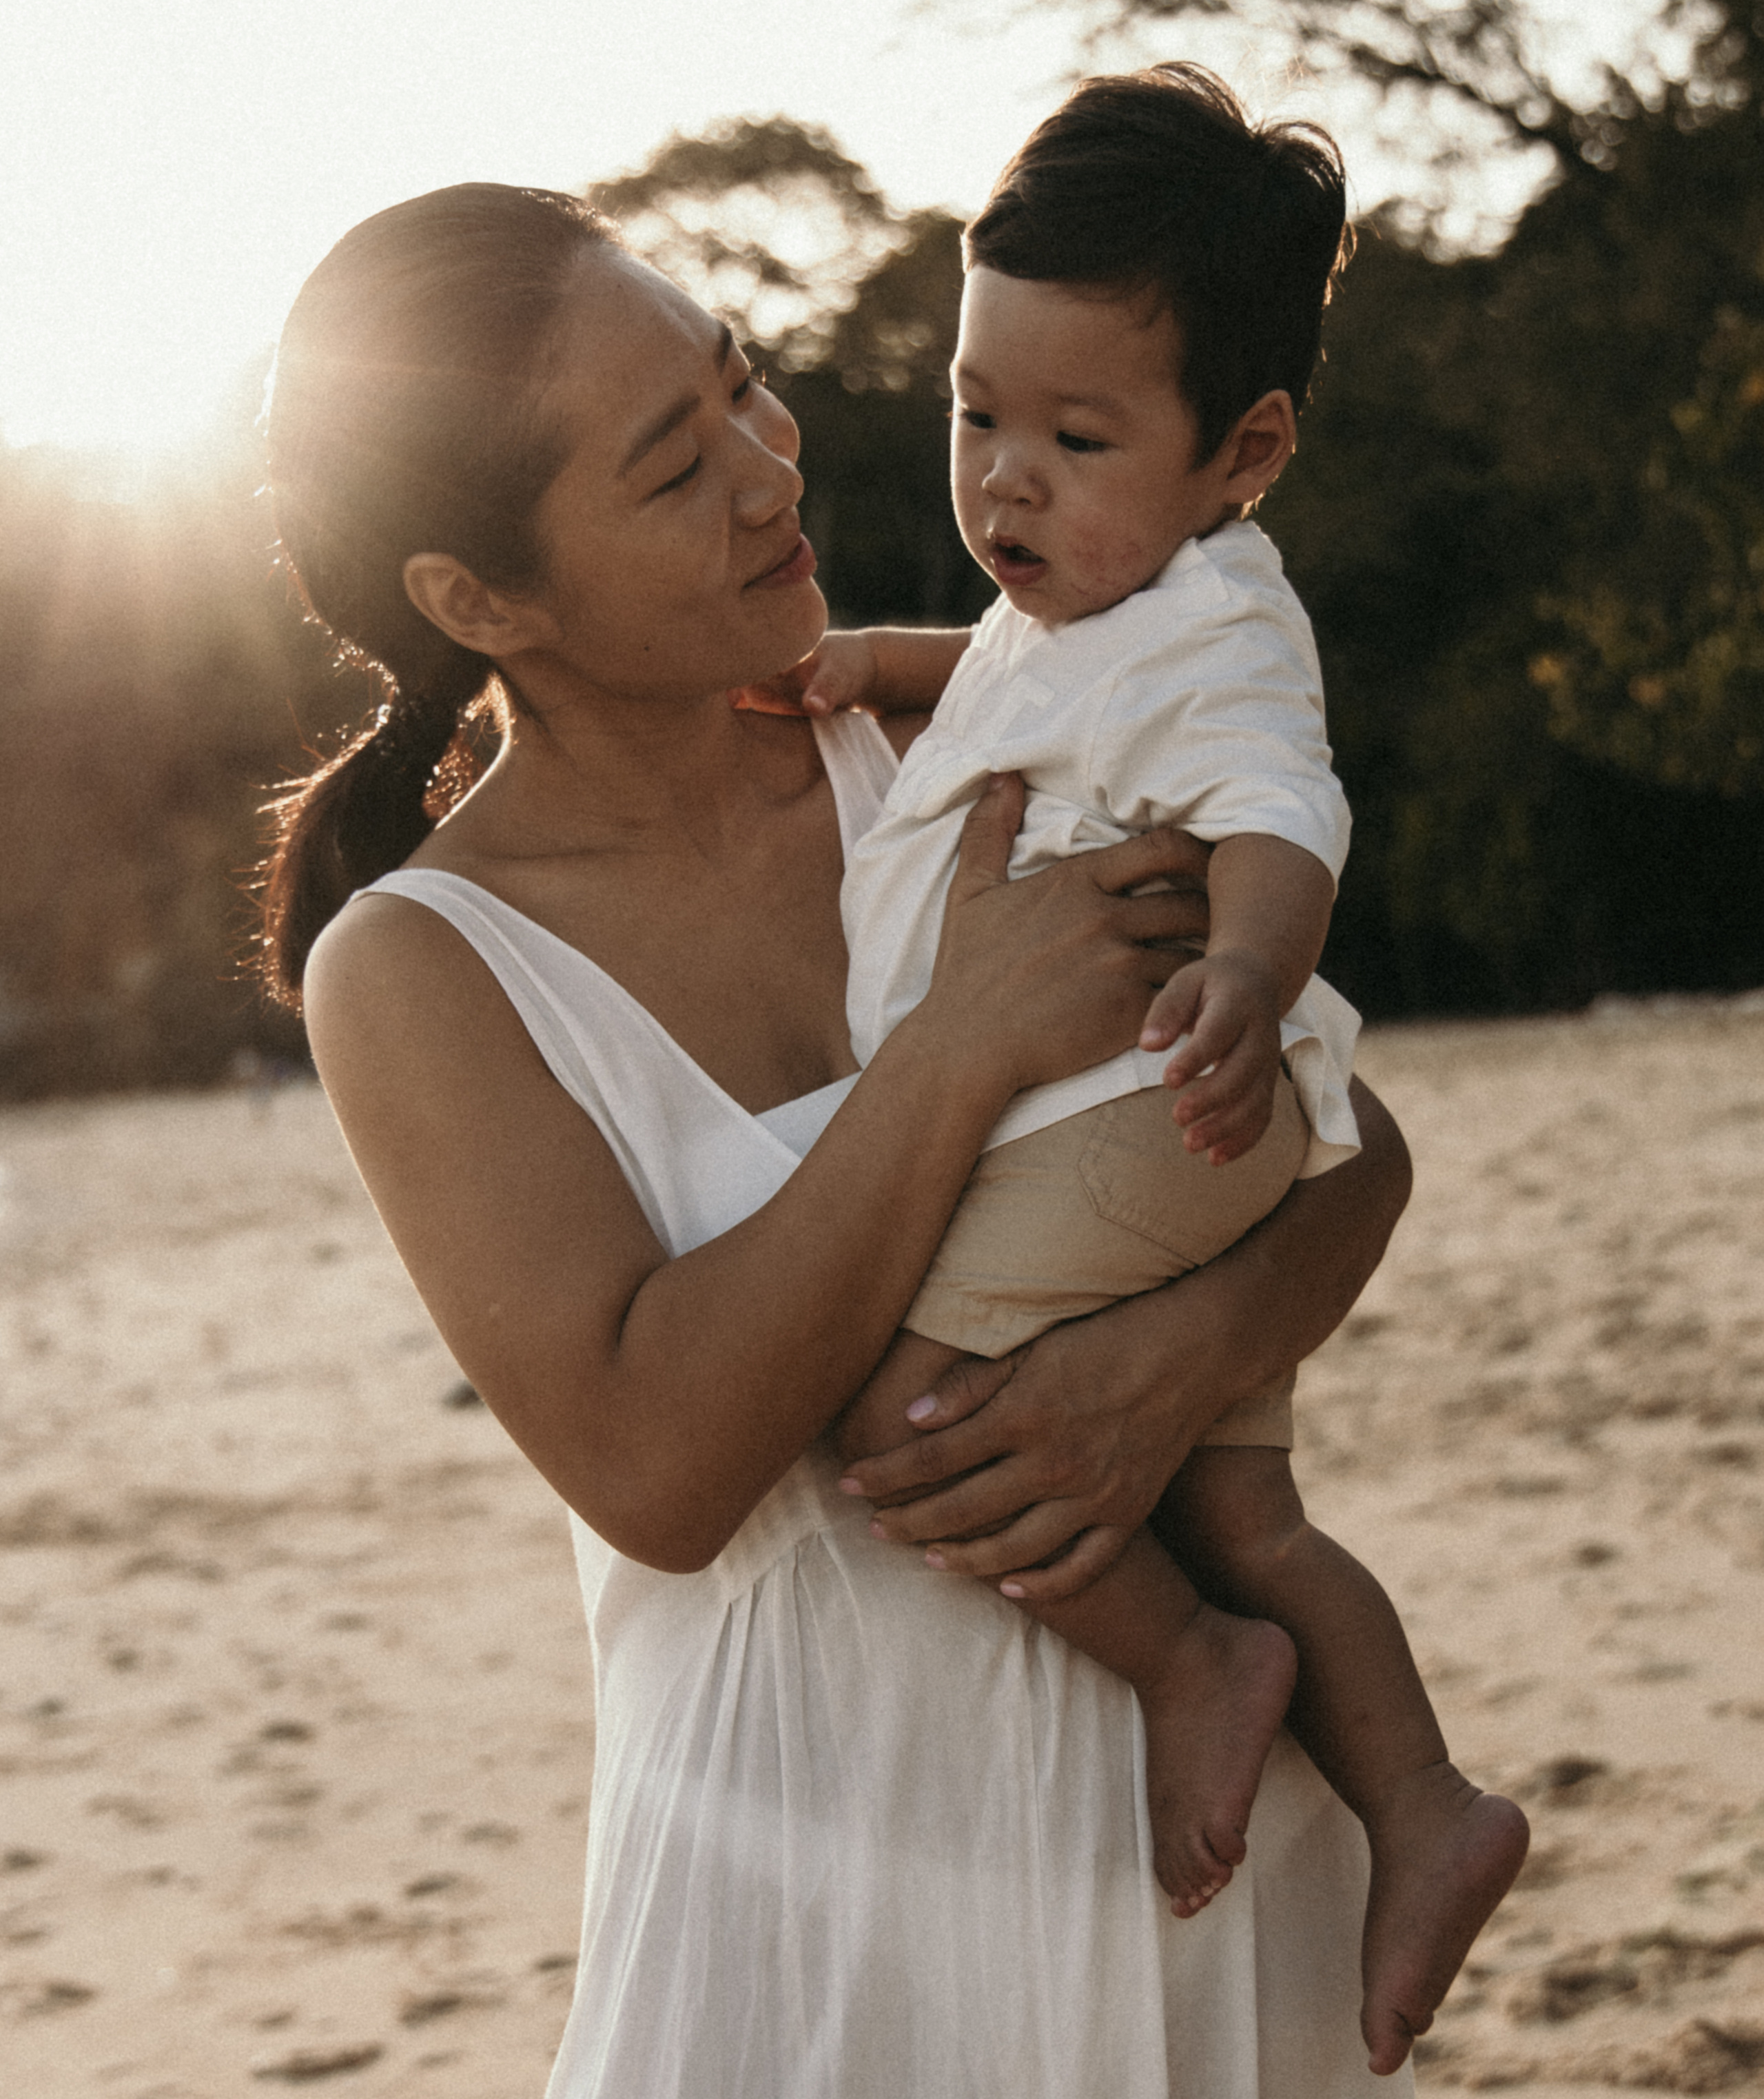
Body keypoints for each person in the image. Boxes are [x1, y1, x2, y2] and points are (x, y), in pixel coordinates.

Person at [258, 176, 1417, 2097]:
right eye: (667, 464)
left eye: (744, 383)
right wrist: (954, 1050)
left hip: (1195, 1825)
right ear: (481, 602)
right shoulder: (420, 968)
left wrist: (1180, 1361)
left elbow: (1335, 1132)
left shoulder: (970, 738)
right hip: (808, 1891)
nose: (767, 468)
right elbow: (658, 1463)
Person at [757, 65, 1527, 2074]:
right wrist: (883, 663)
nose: (1006, 479)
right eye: (973, 413)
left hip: (1142, 1112)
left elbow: (1284, 802)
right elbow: (1031, 674)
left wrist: (1252, 973)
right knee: (1250, 1503)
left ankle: (1191, 1664)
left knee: (883, 1387)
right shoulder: (1106, 588)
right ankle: (1425, 1807)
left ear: (1243, 451)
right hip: (1184, 1132)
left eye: (1075, 435)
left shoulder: (1226, 639)